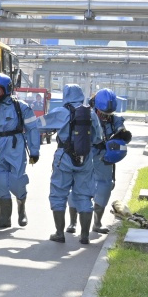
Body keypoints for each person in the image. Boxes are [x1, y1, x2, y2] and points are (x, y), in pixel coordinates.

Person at [40, 84, 104, 244]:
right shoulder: (90, 113)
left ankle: (59, 233)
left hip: (64, 158)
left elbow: (38, 124)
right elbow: (98, 138)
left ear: (66, 95)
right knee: (84, 195)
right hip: (85, 159)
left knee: (58, 194)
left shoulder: (60, 112)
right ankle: (85, 235)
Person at [0, 73, 41, 229]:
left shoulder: (21, 107)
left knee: (17, 181)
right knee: (0, 184)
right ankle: (4, 218)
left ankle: (21, 206)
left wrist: (34, 151)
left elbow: (32, 129)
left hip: (16, 146)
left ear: (6, 89)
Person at [70, 88, 131, 234]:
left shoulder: (115, 120)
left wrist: (122, 135)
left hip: (104, 158)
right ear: (95, 106)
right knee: (78, 187)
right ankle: (72, 222)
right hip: (85, 155)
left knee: (104, 188)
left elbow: (123, 134)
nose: (105, 116)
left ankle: (97, 223)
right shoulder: (85, 115)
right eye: (103, 113)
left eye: (108, 114)